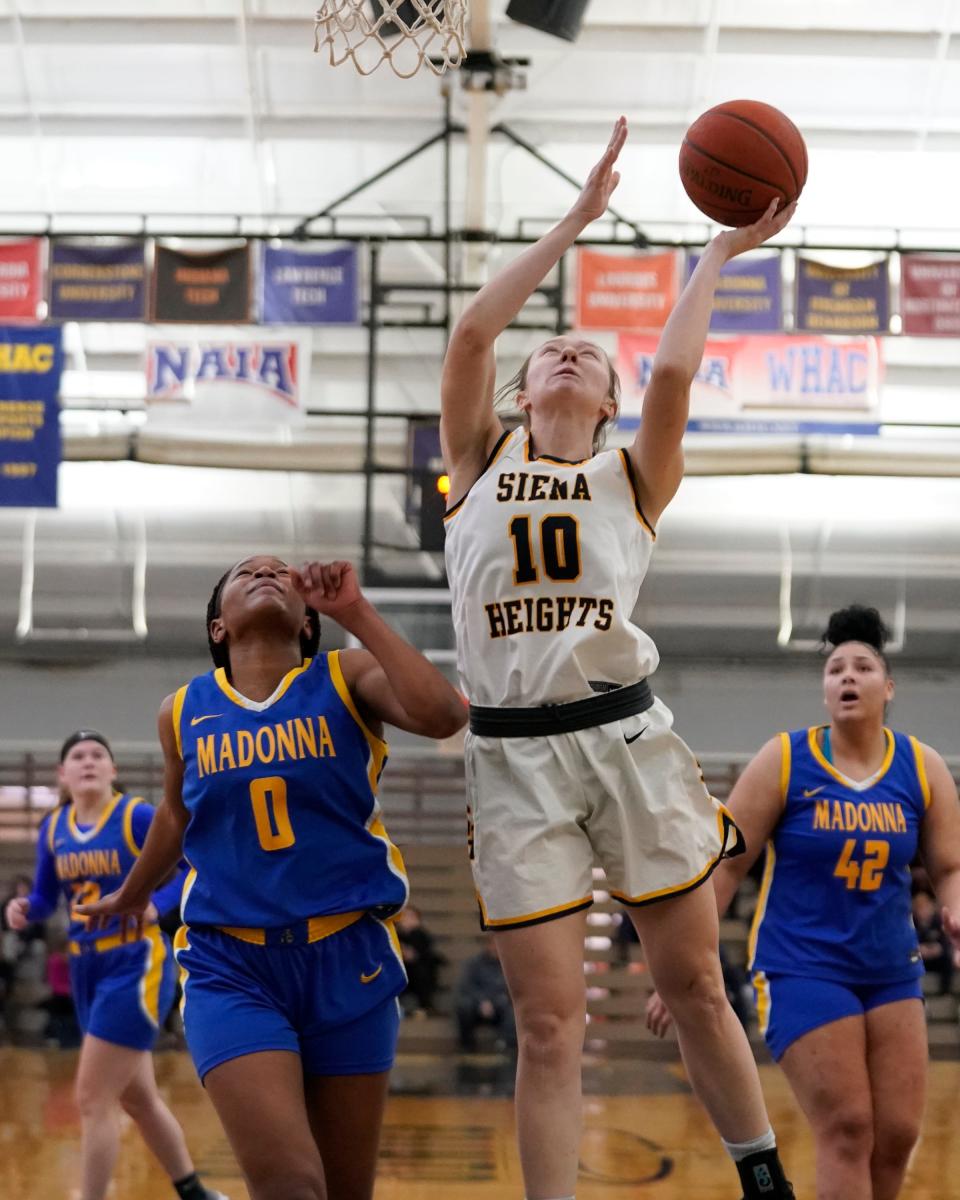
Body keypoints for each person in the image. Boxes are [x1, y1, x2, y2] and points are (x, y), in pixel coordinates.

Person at [440, 114, 797, 1200]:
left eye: (589, 355)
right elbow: (469, 336)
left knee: (693, 979)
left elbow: (678, 374)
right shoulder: (476, 455)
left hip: (625, 738)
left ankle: (760, 1176)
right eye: (551, 346)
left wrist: (718, 256)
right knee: (549, 1024)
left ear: (606, 401)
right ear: (524, 391)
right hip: (512, 760)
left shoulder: (632, 475)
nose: (563, 349)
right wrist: (577, 221)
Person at [79, 556, 467, 1200]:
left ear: (308, 620)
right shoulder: (182, 711)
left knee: (345, 1192)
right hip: (231, 966)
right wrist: (133, 891)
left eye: (280, 571)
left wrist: (358, 615)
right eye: (245, 574)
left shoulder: (346, 676)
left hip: (351, 959)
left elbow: (444, 717)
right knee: (289, 1185)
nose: (265, 573)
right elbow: (176, 813)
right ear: (217, 627)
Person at [647, 604, 960, 1200]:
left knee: (896, 1135)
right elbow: (727, 866)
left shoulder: (923, 768)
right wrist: (681, 969)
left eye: (863, 667)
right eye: (835, 668)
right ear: (824, 692)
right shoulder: (786, 759)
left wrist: (955, 907)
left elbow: (950, 867)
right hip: (802, 966)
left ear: (887, 687)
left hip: (892, 969)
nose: (846, 676)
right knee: (847, 1129)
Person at [4, 730, 224, 1200]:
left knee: (92, 1098)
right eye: (77, 756)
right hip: (86, 969)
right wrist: (26, 909)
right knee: (138, 1098)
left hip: (135, 962)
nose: (88, 761)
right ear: (62, 774)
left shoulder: (137, 816)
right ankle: (194, 1191)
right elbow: (47, 898)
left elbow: (192, 865)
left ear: (113, 770)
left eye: (98, 754)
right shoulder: (54, 827)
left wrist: (158, 904)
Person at [455, 939, 516, 1052]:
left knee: (510, 1009)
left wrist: (494, 1001)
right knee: (464, 1006)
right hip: (477, 1003)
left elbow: (508, 987)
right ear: (488, 946)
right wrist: (482, 1001)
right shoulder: (474, 964)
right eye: (494, 945)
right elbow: (467, 986)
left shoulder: (507, 965)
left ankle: (507, 1044)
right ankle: (467, 1045)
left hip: (499, 1003)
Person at [396, 904, 445, 1015]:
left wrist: (412, 955)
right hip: (400, 972)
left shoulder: (422, 936)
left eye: (411, 917)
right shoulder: (395, 935)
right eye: (404, 916)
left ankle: (424, 1005)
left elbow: (425, 954)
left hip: (419, 975)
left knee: (422, 970)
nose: (407, 920)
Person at [912, 887, 954, 997]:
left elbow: (946, 942)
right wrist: (920, 949)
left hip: (935, 956)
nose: (923, 911)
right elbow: (907, 946)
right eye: (920, 909)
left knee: (947, 958)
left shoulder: (938, 922)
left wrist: (938, 948)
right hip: (919, 956)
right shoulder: (912, 924)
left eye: (925, 908)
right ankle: (913, 990)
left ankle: (945, 991)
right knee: (910, 958)